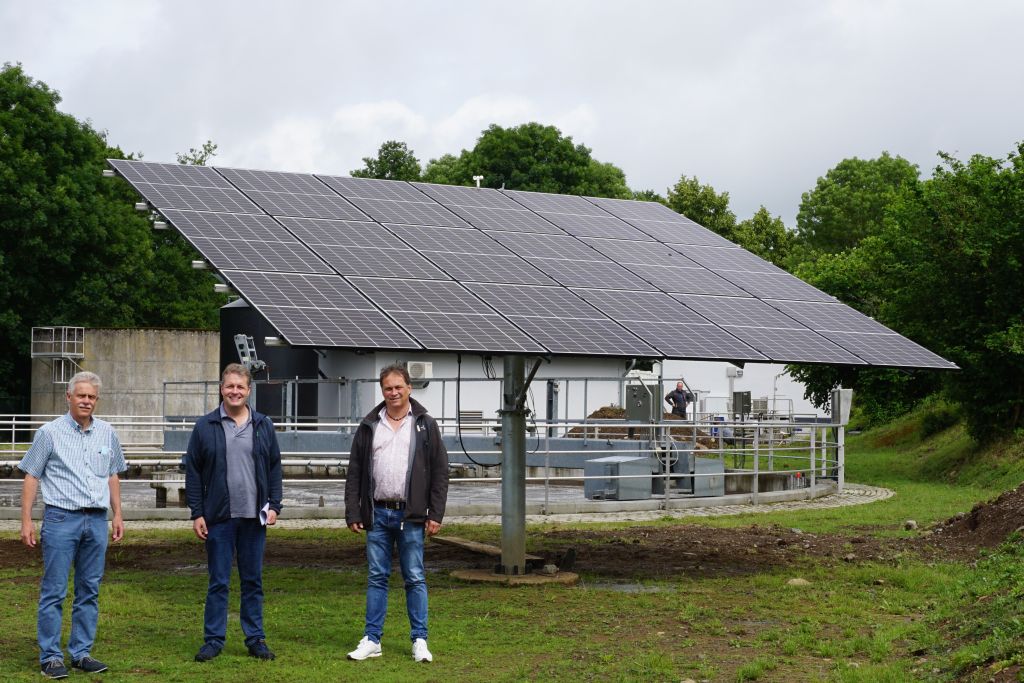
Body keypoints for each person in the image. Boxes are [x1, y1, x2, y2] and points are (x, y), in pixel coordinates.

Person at [19, 371, 126, 679]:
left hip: (96, 520)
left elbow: (112, 475)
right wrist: (25, 520)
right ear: (68, 397)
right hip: (61, 518)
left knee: (89, 590)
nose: (86, 401)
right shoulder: (49, 433)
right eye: (81, 395)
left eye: (91, 396)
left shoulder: (107, 433)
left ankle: (81, 652)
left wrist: (117, 514)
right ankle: (51, 656)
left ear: (97, 400)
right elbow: (31, 476)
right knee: (54, 590)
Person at [346, 364, 449, 663]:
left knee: (414, 577)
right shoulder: (369, 425)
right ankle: (372, 639)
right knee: (377, 577)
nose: (393, 393)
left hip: (411, 516)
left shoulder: (425, 424)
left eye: (398, 387)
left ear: (409, 388)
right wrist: (354, 510)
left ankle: (420, 640)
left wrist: (436, 513)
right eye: (388, 388)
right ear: (382, 391)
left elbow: (440, 471)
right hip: (377, 513)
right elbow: (354, 471)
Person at [184, 363, 283, 663]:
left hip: (255, 518)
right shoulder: (205, 426)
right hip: (219, 519)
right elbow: (193, 471)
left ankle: (255, 638)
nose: (235, 391)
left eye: (240, 387)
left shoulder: (263, 425)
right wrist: (197, 513)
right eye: (230, 386)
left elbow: (275, 467)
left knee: (253, 581)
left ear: (249, 390)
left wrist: (275, 505)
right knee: (219, 581)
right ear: (221, 389)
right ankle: (213, 639)